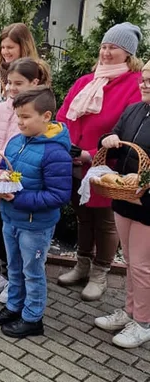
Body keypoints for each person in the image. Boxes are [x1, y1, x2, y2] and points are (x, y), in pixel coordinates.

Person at [56, 23, 142, 301]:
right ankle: (81, 264)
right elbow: (63, 115)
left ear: (127, 54)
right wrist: (65, 145)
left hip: (107, 165)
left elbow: (126, 129)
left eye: (113, 47)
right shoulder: (86, 81)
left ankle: (100, 272)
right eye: (104, 46)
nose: (105, 52)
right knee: (82, 217)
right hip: (74, 161)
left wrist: (91, 153)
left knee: (105, 222)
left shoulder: (133, 83)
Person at [0, 87, 72, 338]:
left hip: (35, 225)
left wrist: (18, 197)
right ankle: (14, 306)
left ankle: (33, 318)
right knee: (14, 267)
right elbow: (4, 169)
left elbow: (59, 195)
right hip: (10, 217)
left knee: (32, 272)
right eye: (18, 116)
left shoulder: (55, 152)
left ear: (46, 116)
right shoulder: (16, 142)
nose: (20, 122)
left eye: (25, 117)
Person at [0, 58, 52, 305]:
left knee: (24, 247)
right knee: (1, 227)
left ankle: (17, 287)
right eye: (9, 83)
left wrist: (7, 176)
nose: (11, 88)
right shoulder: (0, 109)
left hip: (20, 185)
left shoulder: (37, 116)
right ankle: (8, 277)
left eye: (19, 83)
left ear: (35, 82)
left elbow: (31, 155)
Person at [94, 61, 150, 348]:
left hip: (148, 204)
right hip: (124, 197)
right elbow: (107, 138)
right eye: (143, 77)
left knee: (141, 265)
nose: (145, 83)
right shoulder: (133, 110)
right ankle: (129, 312)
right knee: (129, 261)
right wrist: (109, 139)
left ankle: (143, 322)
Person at [0, 23, 40, 100]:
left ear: (24, 47)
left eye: (10, 47)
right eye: (3, 47)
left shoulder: (35, 71)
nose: (5, 52)